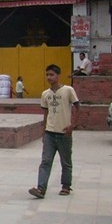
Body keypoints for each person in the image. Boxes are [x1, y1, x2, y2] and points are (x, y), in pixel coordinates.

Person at [29, 64, 80, 199]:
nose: (49, 77)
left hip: (64, 133)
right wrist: (44, 132)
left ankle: (66, 186)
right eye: (47, 75)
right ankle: (41, 188)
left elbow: (77, 107)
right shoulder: (45, 94)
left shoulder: (68, 90)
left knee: (66, 161)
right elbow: (46, 114)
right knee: (45, 161)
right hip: (50, 133)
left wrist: (73, 125)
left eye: (51, 75)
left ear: (58, 75)